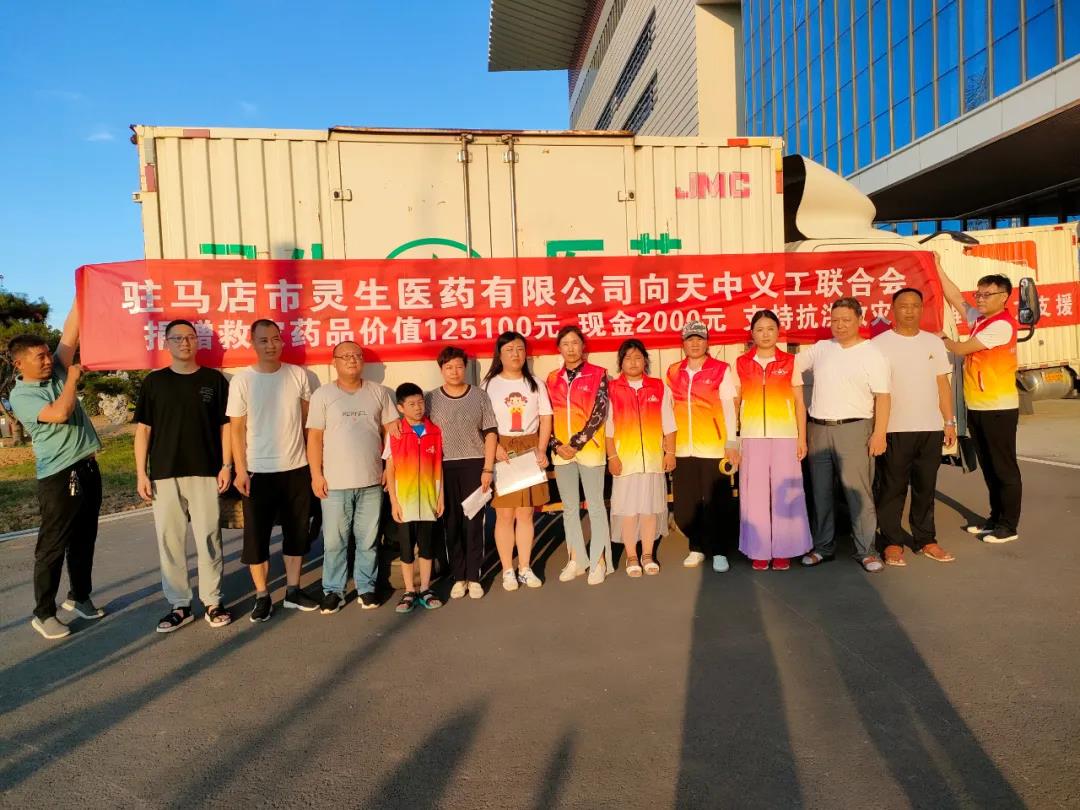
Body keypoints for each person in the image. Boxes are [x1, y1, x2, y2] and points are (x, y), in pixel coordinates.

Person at [9, 301, 103, 640]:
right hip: (60, 476)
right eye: (40, 357)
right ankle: (44, 613)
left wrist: (83, 293)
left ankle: (79, 597)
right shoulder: (21, 396)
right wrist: (72, 380)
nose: (49, 360)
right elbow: (60, 414)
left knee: (85, 538)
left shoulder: (57, 368)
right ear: (20, 363)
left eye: (49, 354)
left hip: (87, 467)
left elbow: (70, 332)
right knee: (53, 545)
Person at [134, 319, 234, 633]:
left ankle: (213, 601)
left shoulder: (213, 380)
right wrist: (141, 473)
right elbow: (144, 430)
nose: (184, 343)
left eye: (190, 337)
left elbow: (226, 427)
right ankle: (179, 605)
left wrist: (227, 465)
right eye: (177, 338)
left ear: (197, 341)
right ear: (166, 343)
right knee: (170, 540)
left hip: (206, 470)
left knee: (209, 538)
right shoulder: (154, 382)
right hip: (164, 473)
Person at [227, 319, 321, 621]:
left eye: (275, 339)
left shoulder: (298, 375)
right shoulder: (242, 381)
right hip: (257, 471)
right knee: (257, 538)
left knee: (297, 533)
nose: (271, 345)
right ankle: (262, 595)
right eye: (264, 340)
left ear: (282, 341)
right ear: (252, 343)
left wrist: (314, 465)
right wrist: (240, 470)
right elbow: (236, 430)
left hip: (296, 468)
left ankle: (293, 590)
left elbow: (308, 423)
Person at [794, 297, 891, 573]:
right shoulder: (821, 348)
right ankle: (823, 547)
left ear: (860, 320)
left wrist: (880, 433)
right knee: (820, 493)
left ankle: (866, 551)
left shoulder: (872, 353)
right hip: (818, 429)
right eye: (835, 320)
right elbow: (789, 366)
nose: (840, 325)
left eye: (846, 320)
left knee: (858, 493)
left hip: (855, 429)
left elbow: (883, 397)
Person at [306, 340, 397, 615]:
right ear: (334, 362)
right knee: (335, 542)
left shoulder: (378, 392)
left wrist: (389, 468)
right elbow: (314, 438)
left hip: (371, 479)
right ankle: (333, 591)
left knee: (368, 540)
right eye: (345, 356)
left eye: (356, 355)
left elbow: (391, 432)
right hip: (334, 483)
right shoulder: (323, 395)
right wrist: (316, 474)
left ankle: (366, 587)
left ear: (363, 361)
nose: (351, 360)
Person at [871, 289, 957, 565]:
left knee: (925, 486)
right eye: (904, 306)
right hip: (895, 428)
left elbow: (942, 385)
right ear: (892, 309)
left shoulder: (933, 343)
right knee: (892, 488)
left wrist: (949, 421)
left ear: (922, 308)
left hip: (930, 427)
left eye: (915, 305)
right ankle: (892, 542)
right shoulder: (878, 345)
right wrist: (878, 430)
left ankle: (925, 539)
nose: (910, 311)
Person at [937, 271, 1022, 544]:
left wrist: (941, 338)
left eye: (987, 294)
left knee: (1003, 468)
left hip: (998, 408)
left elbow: (960, 349)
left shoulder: (1002, 325)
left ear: (1004, 297)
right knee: (989, 466)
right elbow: (955, 297)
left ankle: (1008, 526)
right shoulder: (981, 320)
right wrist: (936, 267)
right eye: (979, 294)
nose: (980, 299)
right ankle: (995, 519)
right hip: (977, 406)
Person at [734, 310, 813, 571]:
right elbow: (736, 403)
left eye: (770, 329)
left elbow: (799, 403)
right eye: (759, 329)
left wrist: (801, 438)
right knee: (754, 494)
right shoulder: (741, 363)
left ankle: (784, 549)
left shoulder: (790, 362)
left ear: (778, 332)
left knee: (786, 493)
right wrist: (734, 439)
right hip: (752, 436)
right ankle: (758, 550)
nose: (765, 334)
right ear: (752, 334)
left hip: (785, 436)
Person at [666, 320, 740, 573]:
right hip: (682, 449)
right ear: (683, 344)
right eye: (690, 339)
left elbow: (729, 408)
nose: (695, 343)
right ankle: (696, 546)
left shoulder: (720, 369)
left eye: (700, 338)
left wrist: (732, 442)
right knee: (685, 506)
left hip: (713, 448)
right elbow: (667, 410)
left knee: (715, 501)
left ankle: (718, 550)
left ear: (707, 342)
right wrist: (667, 444)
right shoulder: (673, 372)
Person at [425, 346, 497, 600]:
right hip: (444, 467)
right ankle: (459, 576)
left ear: (465, 368)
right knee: (451, 522)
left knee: (474, 522)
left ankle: (474, 576)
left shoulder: (479, 396)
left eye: (458, 366)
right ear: (441, 370)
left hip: (474, 465)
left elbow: (490, 433)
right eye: (448, 367)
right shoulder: (430, 399)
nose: (454, 371)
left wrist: (487, 468)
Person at [482, 331, 552, 591]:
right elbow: (481, 420)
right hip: (501, 448)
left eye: (520, 349)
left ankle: (524, 567)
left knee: (525, 512)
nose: (516, 354)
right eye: (509, 349)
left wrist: (541, 449)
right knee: (504, 514)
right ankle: (507, 570)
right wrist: (495, 447)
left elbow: (545, 418)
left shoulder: (535, 383)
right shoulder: (489, 384)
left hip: (529, 447)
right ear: (499, 355)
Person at [546, 326, 612, 586]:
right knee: (570, 508)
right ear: (559, 348)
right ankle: (576, 558)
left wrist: (576, 443)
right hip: (561, 453)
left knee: (595, 506)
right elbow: (546, 416)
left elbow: (600, 411)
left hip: (590, 450)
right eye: (565, 344)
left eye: (575, 343)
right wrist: (555, 444)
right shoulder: (552, 379)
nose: (571, 348)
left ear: (583, 346)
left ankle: (599, 561)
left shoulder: (599, 374)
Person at [605, 339, 676, 577]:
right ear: (620, 362)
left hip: (653, 461)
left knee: (649, 510)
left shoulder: (658, 387)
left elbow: (669, 423)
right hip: (625, 461)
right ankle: (631, 555)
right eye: (628, 358)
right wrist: (612, 456)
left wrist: (670, 453)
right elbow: (608, 427)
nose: (633, 362)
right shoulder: (612, 389)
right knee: (628, 511)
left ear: (645, 360)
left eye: (638, 357)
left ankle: (647, 554)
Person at [384, 383, 445, 613]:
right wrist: (394, 501)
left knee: (427, 547)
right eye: (411, 404)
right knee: (407, 549)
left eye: (420, 402)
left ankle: (426, 588)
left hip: (429, 499)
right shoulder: (396, 433)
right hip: (405, 501)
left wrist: (440, 497)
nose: (418, 408)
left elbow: (439, 466)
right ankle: (409, 590)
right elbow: (390, 468)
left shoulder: (434, 432)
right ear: (401, 408)